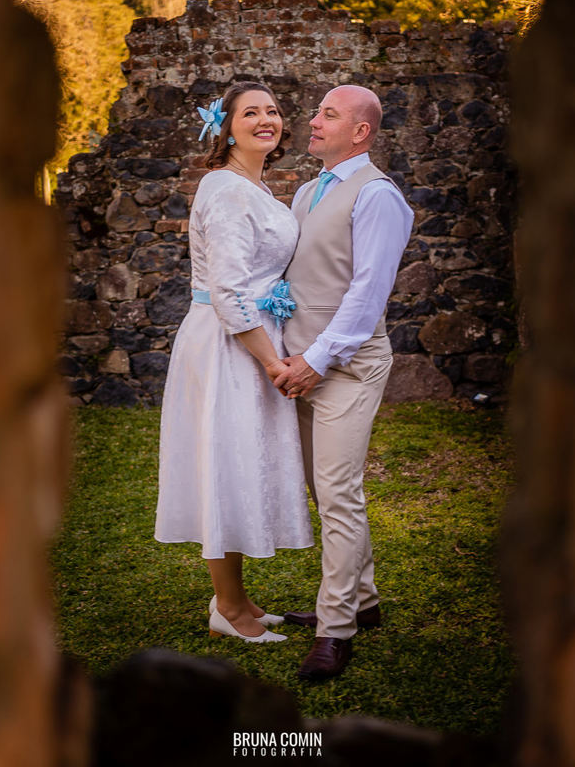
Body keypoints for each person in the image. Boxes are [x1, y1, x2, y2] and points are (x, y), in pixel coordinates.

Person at [154, 82, 313, 643]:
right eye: (251, 113)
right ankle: (227, 608)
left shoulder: (254, 186)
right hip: (230, 343)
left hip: (252, 338)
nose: (266, 120)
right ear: (226, 127)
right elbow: (227, 291)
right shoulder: (224, 189)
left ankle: (239, 600)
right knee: (224, 467)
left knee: (240, 463)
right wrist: (273, 362)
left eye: (273, 111)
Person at [273, 85, 414, 678]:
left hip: (347, 366)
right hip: (303, 365)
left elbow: (367, 292)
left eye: (327, 114)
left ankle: (336, 629)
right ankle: (363, 599)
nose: (312, 121)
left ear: (360, 132)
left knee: (337, 493)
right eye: (316, 111)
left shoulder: (378, 196)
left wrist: (316, 359)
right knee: (323, 490)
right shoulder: (308, 191)